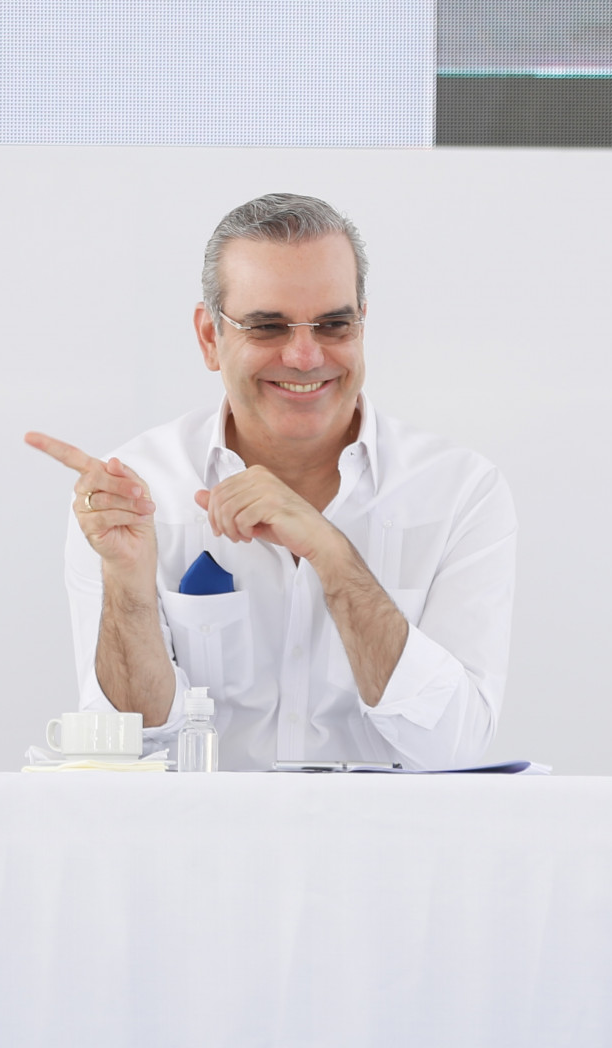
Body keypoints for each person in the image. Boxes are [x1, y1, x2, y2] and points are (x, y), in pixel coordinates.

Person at [27, 193, 516, 771]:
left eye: (334, 325)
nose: (305, 356)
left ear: (362, 324)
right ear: (210, 337)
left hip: (386, 831)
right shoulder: (131, 492)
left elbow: (454, 748)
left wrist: (334, 558)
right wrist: (128, 588)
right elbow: (130, 748)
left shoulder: (460, 492)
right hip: (200, 830)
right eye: (267, 327)